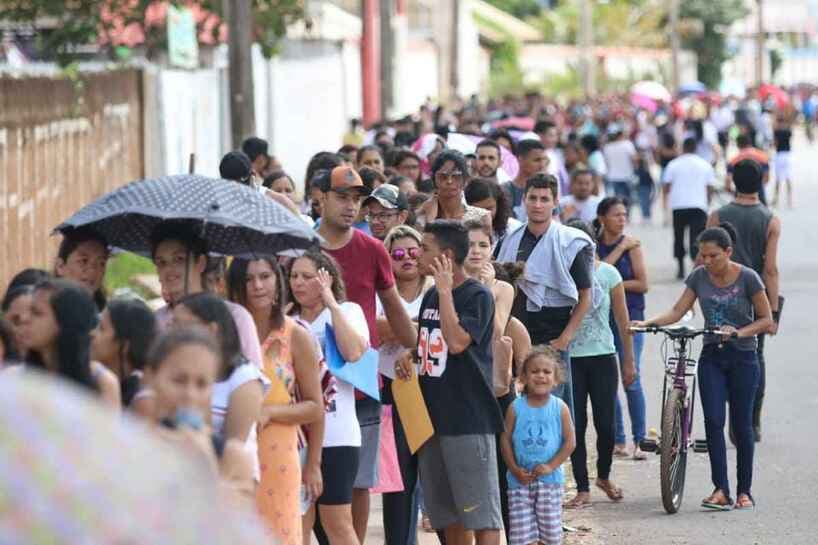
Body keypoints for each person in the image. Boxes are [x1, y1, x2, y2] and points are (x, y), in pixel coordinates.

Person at [633, 225, 773, 511]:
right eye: (703, 256)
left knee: (742, 425)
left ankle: (744, 491)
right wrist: (647, 324)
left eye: (713, 256)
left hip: (744, 357)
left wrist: (739, 332)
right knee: (713, 420)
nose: (707, 261)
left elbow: (766, 319)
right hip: (712, 356)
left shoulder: (748, 278)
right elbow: (678, 310)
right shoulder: (698, 276)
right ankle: (721, 489)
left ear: (728, 252)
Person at [313, 165, 417, 543]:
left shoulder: (373, 249)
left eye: (356, 199)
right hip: (313, 382)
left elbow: (393, 306)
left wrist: (414, 347)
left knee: (358, 482)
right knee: (314, 479)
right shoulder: (302, 249)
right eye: (342, 197)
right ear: (320, 198)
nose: (350, 206)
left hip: (361, 382)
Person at [395, 219, 503, 545]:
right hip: (432, 423)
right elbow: (436, 344)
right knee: (448, 515)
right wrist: (413, 354)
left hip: (467, 421)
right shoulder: (431, 297)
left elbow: (456, 342)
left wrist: (445, 292)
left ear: (446, 255)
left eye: (425, 248)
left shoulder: (476, 296)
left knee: (481, 514)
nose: (417, 253)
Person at [226, 257, 324, 545]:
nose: (257, 285)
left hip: (278, 454)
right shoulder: (225, 335)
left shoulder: (296, 335)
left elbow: (315, 407)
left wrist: (269, 412)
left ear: (278, 281)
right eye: (248, 279)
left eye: (265, 276)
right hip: (233, 451)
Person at [495, 174, 595, 419]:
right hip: (514, 334)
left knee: (552, 409)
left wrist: (564, 338)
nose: (538, 205)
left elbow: (586, 295)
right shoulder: (510, 238)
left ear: (555, 202)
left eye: (544, 199)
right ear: (524, 200)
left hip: (552, 336)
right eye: (533, 198)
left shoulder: (569, 242)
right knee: (515, 409)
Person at [288, 250, 369, 545]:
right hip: (297, 436)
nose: (298, 282)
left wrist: (332, 304)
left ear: (326, 279)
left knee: (337, 522)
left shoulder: (347, 311)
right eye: (294, 276)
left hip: (337, 435)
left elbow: (354, 352)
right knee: (297, 523)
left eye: (307, 276)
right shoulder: (288, 320)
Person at [562, 219, 635, 508]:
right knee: (576, 424)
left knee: (606, 424)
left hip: (603, 356)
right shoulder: (559, 274)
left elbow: (623, 321)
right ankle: (582, 487)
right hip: (570, 359)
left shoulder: (608, 274)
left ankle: (603, 476)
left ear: (592, 244)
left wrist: (629, 361)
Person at [707, 159, 781, 441]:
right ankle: (750, 420)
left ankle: (731, 417)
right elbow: (770, 269)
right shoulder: (770, 219)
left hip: (718, 294)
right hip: (754, 296)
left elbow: (704, 259)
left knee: (720, 355)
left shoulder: (717, 216)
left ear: (733, 182)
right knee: (754, 356)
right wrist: (772, 312)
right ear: (761, 181)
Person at [144, 326, 255, 499]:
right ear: (151, 377)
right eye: (179, 380)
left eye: (202, 384)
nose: (190, 395)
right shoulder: (129, 446)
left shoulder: (232, 457)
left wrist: (207, 463)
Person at [377, 226, 432, 545]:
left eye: (413, 251)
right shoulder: (380, 293)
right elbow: (375, 329)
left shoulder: (436, 289)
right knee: (398, 479)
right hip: (391, 392)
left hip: (432, 393)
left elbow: (444, 331)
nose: (407, 258)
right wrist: (418, 329)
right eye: (398, 254)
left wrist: (400, 330)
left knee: (435, 480)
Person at [463, 220, 517, 540]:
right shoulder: (448, 286)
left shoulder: (503, 289)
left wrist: (484, 291)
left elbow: (496, 331)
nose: (476, 251)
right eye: (470, 245)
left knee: (501, 467)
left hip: (495, 386)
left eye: (483, 245)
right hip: (462, 387)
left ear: (492, 249)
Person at [172, 293, 267, 472]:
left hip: (228, 477)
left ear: (211, 329)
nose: (174, 333)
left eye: (182, 325)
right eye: (172, 325)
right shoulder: (181, 370)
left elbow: (232, 449)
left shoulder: (244, 377)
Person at [150, 221, 262, 368]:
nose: (169, 269)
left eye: (179, 259)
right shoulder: (155, 322)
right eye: (161, 263)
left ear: (200, 263)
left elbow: (254, 377)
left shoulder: (235, 317)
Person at [499, 347, 575, 545]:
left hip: (550, 483)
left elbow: (570, 442)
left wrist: (550, 466)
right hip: (519, 484)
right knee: (521, 537)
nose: (541, 375)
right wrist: (514, 469)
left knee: (550, 536)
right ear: (524, 377)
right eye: (534, 371)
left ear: (556, 379)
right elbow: (505, 440)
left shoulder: (560, 408)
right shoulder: (515, 407)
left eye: (547, 372)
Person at [595, 197, 650, 459]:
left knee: (631, 377)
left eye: (624, 215)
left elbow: (643, 284)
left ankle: (641, 439)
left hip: (632, 317)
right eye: (616, 215)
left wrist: (614, 285)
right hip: (602, 318)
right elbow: (597, 273)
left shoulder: (633, 245)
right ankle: (618, 439)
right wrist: (619, 250)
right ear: (602, 218)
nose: (622, 219)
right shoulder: (594, 245)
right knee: (608, 382)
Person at [23, 279, 120, 408]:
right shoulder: (16, 376)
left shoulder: (101, 382)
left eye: (37, 313)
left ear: (65, 321)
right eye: (29, 311)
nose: (25, 319)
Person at [91, 297, 158, 417]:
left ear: (125, 345)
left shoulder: (139, 403)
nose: (92, 333)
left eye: (101, 329)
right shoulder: (90, 374)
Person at [661, 137, 716, 279]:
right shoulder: (704, 164)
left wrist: (666, 204)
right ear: (695, 148)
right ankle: (696, 267)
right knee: (697, 238)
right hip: (698, 205)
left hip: (679, 205)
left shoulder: (673, 164)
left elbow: (666, 186)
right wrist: (708, 201)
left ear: (683, 148)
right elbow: (710, 187)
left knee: (678, 236)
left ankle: (680, 267)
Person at [414, 150, 491, 230]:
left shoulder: (481, 218)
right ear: (434, 179)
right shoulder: (421, 216)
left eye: (456, 176)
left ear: (465, 180)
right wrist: (429, 219)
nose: (449, 181)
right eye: (443, 176)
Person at [54, 228, 109, 311]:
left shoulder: (107, 316)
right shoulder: (43, 312)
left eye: (101, 263)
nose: (93, 270)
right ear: (60, 266)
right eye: (84, 261)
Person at [464, 178, 521, 246]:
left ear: (498, 204)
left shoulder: (514, 229)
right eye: (479, 209)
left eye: (489, 208)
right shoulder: (461, 229)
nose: (485, 214)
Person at [503, 139, 548, 221]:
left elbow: (555, 219)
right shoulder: (505, 190)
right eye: (537, 160)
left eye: (544, 159)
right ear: (520, 160)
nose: (542, 165)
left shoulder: (548, 189)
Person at [726, 134, 769, 204]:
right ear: (750, 143)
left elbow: (728, 183)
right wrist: (757, 188)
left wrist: (733, 192)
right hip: (759, 195)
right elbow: (766, 177)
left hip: (740, 197)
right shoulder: (762, 157)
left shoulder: (733, 160)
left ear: (738, 145)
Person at [602, 125, 637, 204]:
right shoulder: (627, 144)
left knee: (617, 203)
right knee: (627, 202)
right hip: (627, 176)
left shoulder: (607, 147)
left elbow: (606, 164)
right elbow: (634, 160)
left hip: (613, 177)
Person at [772, 114, 793, 208]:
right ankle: (790, 200)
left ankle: (776, 200)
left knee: (778, 178)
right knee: (788, 177)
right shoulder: (788, 130)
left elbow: (775, 143)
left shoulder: (776, 131)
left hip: (779, 154)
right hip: (787, 155)